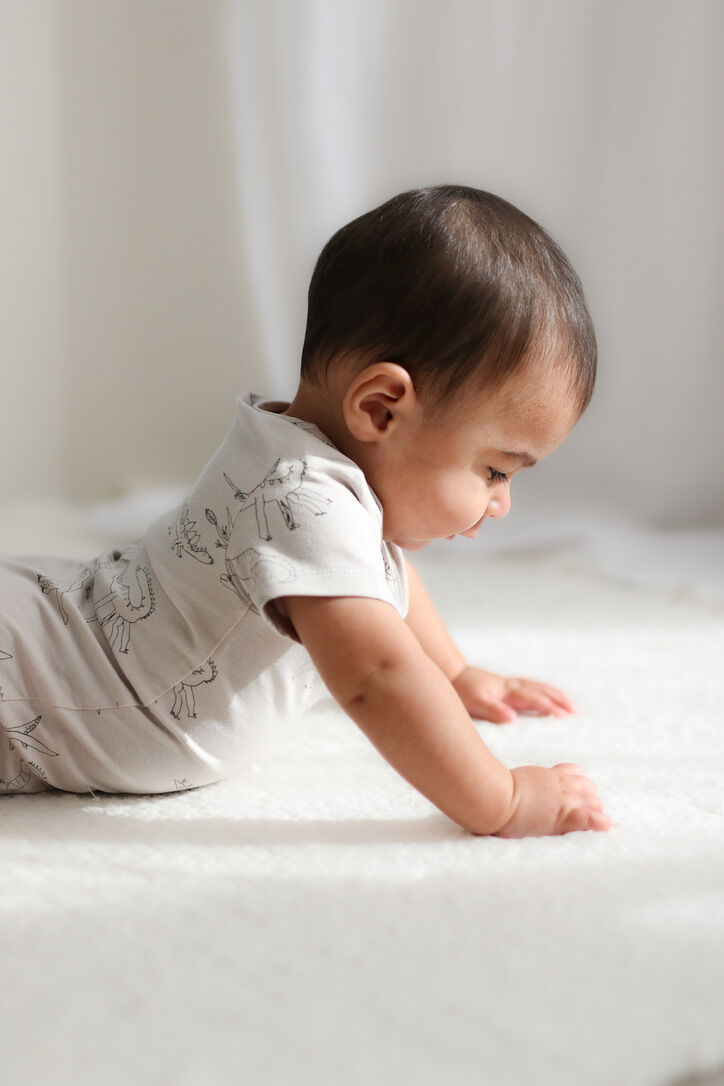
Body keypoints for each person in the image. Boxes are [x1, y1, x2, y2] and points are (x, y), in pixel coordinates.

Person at [0, 184, 611, 838]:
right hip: (33, 672)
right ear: (379, 408)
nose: (502, 503)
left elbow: (387, 579)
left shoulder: (323, 474)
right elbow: (379, 677)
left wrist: (454, 673)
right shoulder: (303, 500)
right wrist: (504, 800)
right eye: (494, 469)